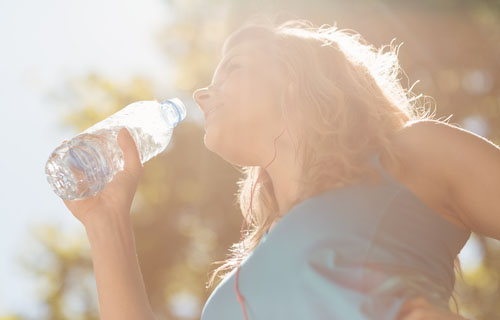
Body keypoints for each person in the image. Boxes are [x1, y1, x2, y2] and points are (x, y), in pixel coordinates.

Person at [62, 18, 500, 320]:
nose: (201, 94)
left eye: (232, 68)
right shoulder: (232, 289)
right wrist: (107, 220)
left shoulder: (408, 156)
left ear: (295, 78)